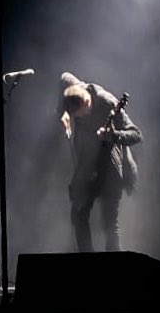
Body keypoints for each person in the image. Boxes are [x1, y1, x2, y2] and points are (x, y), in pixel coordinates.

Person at [57, 71, 142, 252]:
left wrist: (113, 136)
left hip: (110, 171)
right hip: (88, 171)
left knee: (110, 224)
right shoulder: (76, 92)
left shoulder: (107, 102)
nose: (79, 119)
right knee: (78, 215)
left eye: (80, 115)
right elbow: (64, 77)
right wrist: (65, 114)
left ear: (88, 103)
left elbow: (136, 135)